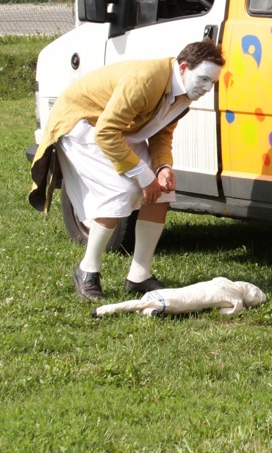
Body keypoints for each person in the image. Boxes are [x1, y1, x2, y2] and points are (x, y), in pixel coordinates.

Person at [28, 41, 226, 301]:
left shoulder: (186, 92)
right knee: (121, 190)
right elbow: (105, 132)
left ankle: (139, 276)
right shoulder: (145, 80)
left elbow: (161, 132)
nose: (207, 88)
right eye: (203, 79)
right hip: (82, 125)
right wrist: (143, 175)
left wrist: (163, 167)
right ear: (184, 68)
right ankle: (87, 270)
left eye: (212, 82)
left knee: (163, 191)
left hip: (117, 130)